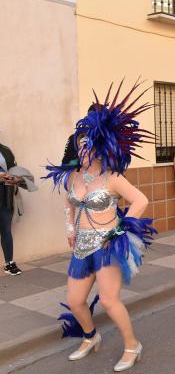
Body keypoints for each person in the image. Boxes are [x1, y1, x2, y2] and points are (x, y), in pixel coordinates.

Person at [44, 81, 155, 371]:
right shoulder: (73, 177)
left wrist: (119, 232)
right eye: (79, 145)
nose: (82, 150)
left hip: (106, 246)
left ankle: (133, 345)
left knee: (108, 299)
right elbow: (69, 204)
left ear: (99, 147)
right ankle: (91, 337)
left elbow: (140, 201)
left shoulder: (113, 177)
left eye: (87, 145)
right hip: (81, 246)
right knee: (75, 300)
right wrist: (70, 231)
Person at [0, 142, 37, 275]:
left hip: (5, 193)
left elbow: (13, 169)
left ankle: (9, 263)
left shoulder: (5, 150)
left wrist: (16, 178)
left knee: (6, 229)